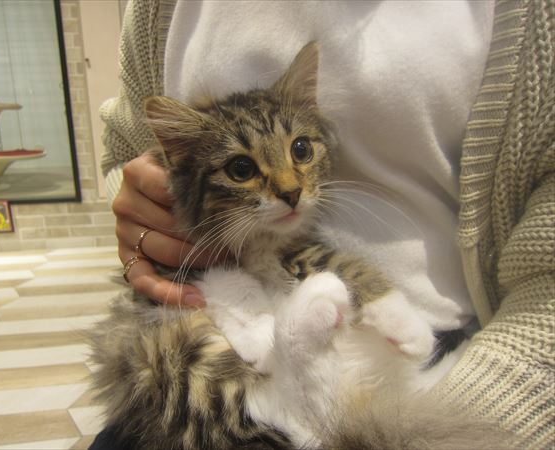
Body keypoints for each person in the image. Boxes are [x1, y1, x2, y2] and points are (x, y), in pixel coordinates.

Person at [97, 0, 553, 448]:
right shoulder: (157, 8)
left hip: (445, 366)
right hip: (219, 375)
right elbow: (127, 148)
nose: (288, 186)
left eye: (300, 152)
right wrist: (143, 216)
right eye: (243, 168)